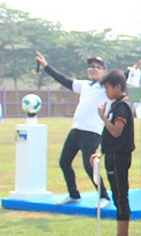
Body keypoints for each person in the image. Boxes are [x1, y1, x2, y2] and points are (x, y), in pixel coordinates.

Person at [34, 52, 111, 206]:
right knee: (64, 162)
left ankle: (104, 197)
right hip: (76, 129)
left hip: (91, 131)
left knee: (89, 166)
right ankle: (74, 194)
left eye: (97, 66)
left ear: (105, 72)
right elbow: (63, 79)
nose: (93, 69)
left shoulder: (106, 87)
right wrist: (45, 66)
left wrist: (132, 71)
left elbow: (121, 77)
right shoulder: (85, 85)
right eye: (90, 66)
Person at [96, 70, 135, 236]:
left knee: (120, 194)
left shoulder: (122, 106)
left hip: (119, 155)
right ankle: (120, 235)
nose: (106, 92)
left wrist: (103, 117)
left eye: (107, 88)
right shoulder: (116, 104)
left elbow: (116, 131)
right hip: (112, 154)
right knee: (117, 193)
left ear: (118, 87)